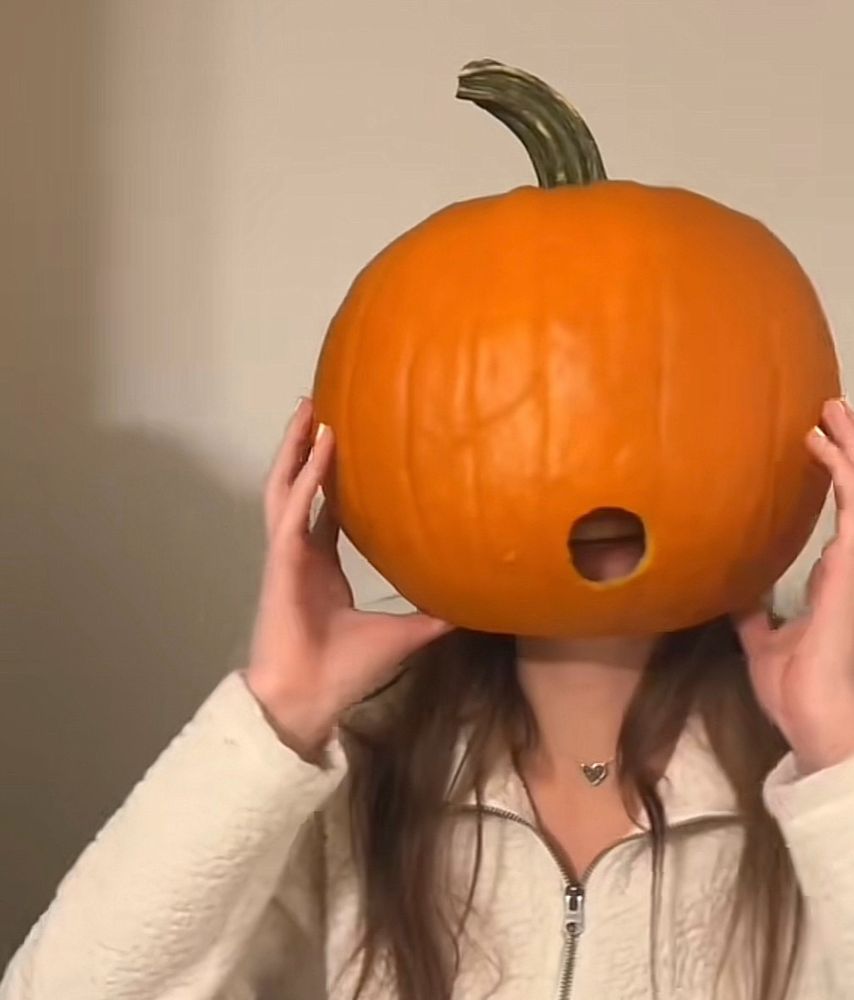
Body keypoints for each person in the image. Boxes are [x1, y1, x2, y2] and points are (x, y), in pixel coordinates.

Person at [3, 396, 854, 1000]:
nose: (592, 460)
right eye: (536, 407)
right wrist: (279, 713)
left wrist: (836, 763)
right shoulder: (345, 776)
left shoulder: (825, 783)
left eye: (643, 407)